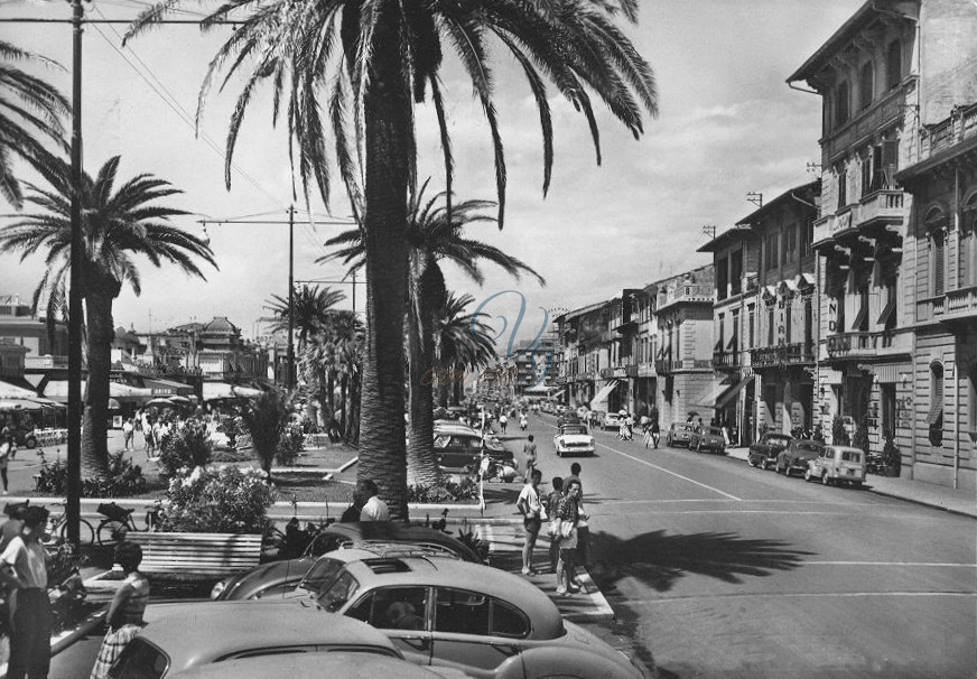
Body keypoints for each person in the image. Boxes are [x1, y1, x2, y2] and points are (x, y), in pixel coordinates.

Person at [0, 505, 51, 679]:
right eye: (46, 523)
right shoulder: (18, 543)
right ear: (40, 524)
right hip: (26, 599)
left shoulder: (37, 542)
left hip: (41, 598)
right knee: (23, 648)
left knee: (42, 649)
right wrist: (16, 583)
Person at [89, 543, 150, 679]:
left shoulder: (126, 588)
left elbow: (110, 618)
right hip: (138, 630)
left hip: (123, 633)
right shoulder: (144, 581)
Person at [554, 479, 582, 596]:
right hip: (565, 532)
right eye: (574, 489)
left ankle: (568, 584)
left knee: (570, 559)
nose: (577, 492)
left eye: (578, 490)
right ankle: (560, 586)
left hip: (572, 532)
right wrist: (559, 532)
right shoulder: (564, 501)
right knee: (562, 560)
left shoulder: (574, 501)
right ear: (569, 489)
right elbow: (559, 517)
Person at [515, 469, 545, 576]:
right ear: (532, 478)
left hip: (537, 518)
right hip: (530, 519)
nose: (538, 480)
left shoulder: (536, 489)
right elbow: (519, 503)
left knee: (532, 544)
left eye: (539, 478)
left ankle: (530, 565)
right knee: (528, 543)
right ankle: (525, 566)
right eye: (536, 478)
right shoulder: (527, 488)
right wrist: (525, 514)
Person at [567, 462, 590, 571]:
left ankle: (575, 560)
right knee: (583, 539)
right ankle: (584, 561)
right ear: (579, 471)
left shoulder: (566, 480)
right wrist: (583, 514)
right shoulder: (577, 482)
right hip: (576, 513)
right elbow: (579, 501)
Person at [545, 477, 564, 574]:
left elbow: (546, 509)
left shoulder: (550, 495)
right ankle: (557, 566)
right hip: (558, 522)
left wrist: (549, 517)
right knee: (559, 546)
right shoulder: (561, 497)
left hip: (551, 522)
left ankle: (553, 565)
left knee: (553, 545)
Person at [0, 427, 16, 496]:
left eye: (7, 433)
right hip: (2, 457)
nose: (6, 435)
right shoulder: (1, 440)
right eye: (4, 433)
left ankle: (5, 489)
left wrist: (11, 456)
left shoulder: (9, 441)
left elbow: (12, 449)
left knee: (3, 475)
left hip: (3, 459)